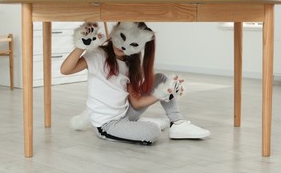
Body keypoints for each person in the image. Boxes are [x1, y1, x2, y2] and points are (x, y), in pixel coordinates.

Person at [60, 22, 210, 144]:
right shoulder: (98, 55)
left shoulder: (131, 64)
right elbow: (65, 70)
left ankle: (178, 124)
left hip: (126, 113)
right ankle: (141, 124)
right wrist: (81, 46)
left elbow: (137, 103)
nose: (122, 46)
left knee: (162, 79)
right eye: (122, 37)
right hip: (108, 124)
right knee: (152, 131)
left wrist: (163, 93)